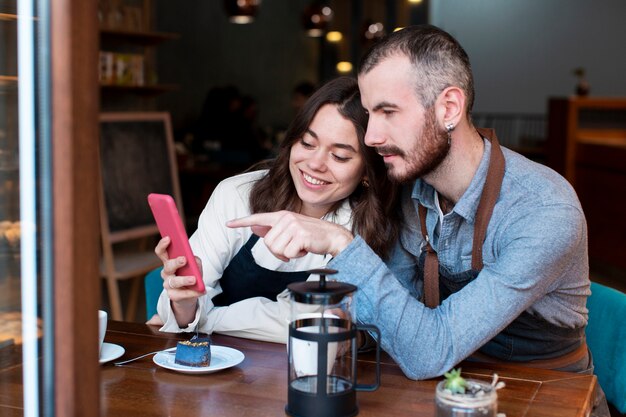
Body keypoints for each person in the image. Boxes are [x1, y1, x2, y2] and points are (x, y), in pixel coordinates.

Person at [228, 25, 608, 415]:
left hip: (545, 398)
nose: (371, 136)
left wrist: (342, 245)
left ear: (448, 108)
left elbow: (427, 351)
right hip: (441, 393)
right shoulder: (410, 192)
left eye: (387, 112)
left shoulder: (542, 209)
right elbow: (392, 324)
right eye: (369, 113)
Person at [153, 76, 400, 343]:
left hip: (304, 376)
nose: (315, 163)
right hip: (211, 370)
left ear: (367, 171)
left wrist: (208, 318)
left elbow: (312, 326)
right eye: (307, 143)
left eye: (339, 156)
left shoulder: (360, 229)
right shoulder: (236, 195)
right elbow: (178, 314)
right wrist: (185, 305)